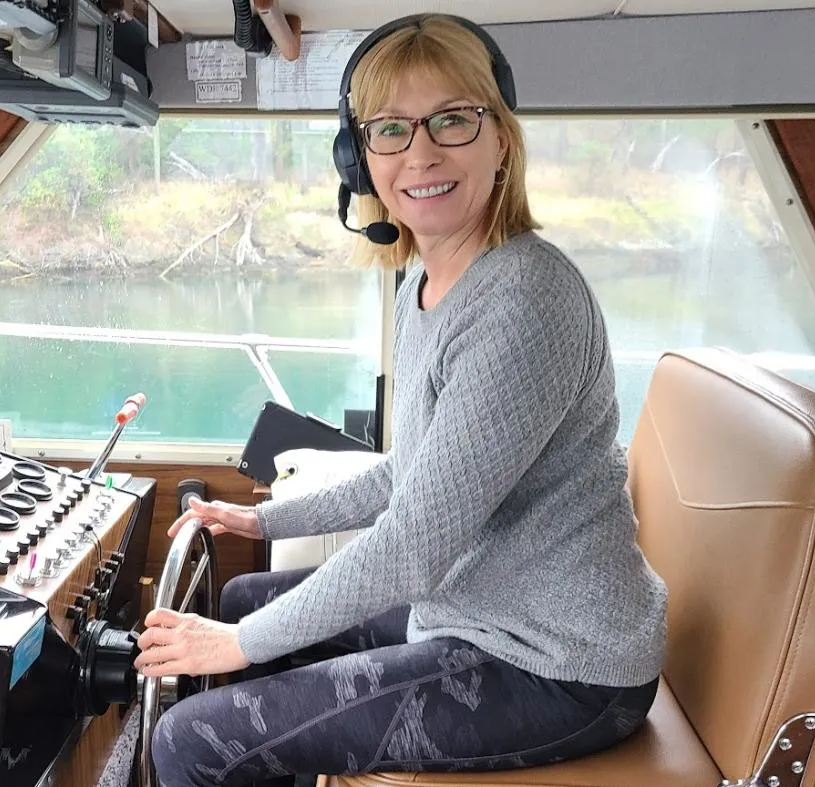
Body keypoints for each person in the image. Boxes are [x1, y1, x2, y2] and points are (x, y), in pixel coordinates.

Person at [133, 13, 668, 787]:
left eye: (452, 120)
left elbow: (416, 540)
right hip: (471, 613)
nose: (420, 152)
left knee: (190, 741)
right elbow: (411, 473)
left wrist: (238, 642)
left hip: (560, 664)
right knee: (247, 595)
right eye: (389, 130)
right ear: (361, 159)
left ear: (501, 140)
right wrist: (263, 519)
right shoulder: (422, 282)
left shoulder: (526, 295)